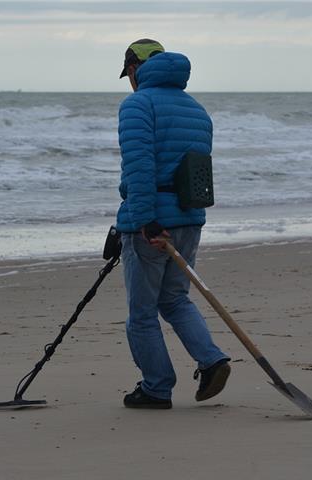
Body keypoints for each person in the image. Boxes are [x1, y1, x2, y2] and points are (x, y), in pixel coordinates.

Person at [115, 39, 230, 409]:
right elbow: (195, 170)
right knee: (175, 299)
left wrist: (144, 220)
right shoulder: (197, 109)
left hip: (152, 223)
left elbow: (140, 168)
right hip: (189, 219)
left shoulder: (138, 104)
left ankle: (156, 387)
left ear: (136, 68)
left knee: (142, 314)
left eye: (128, 73)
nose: (129, 81)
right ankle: (212, 360)